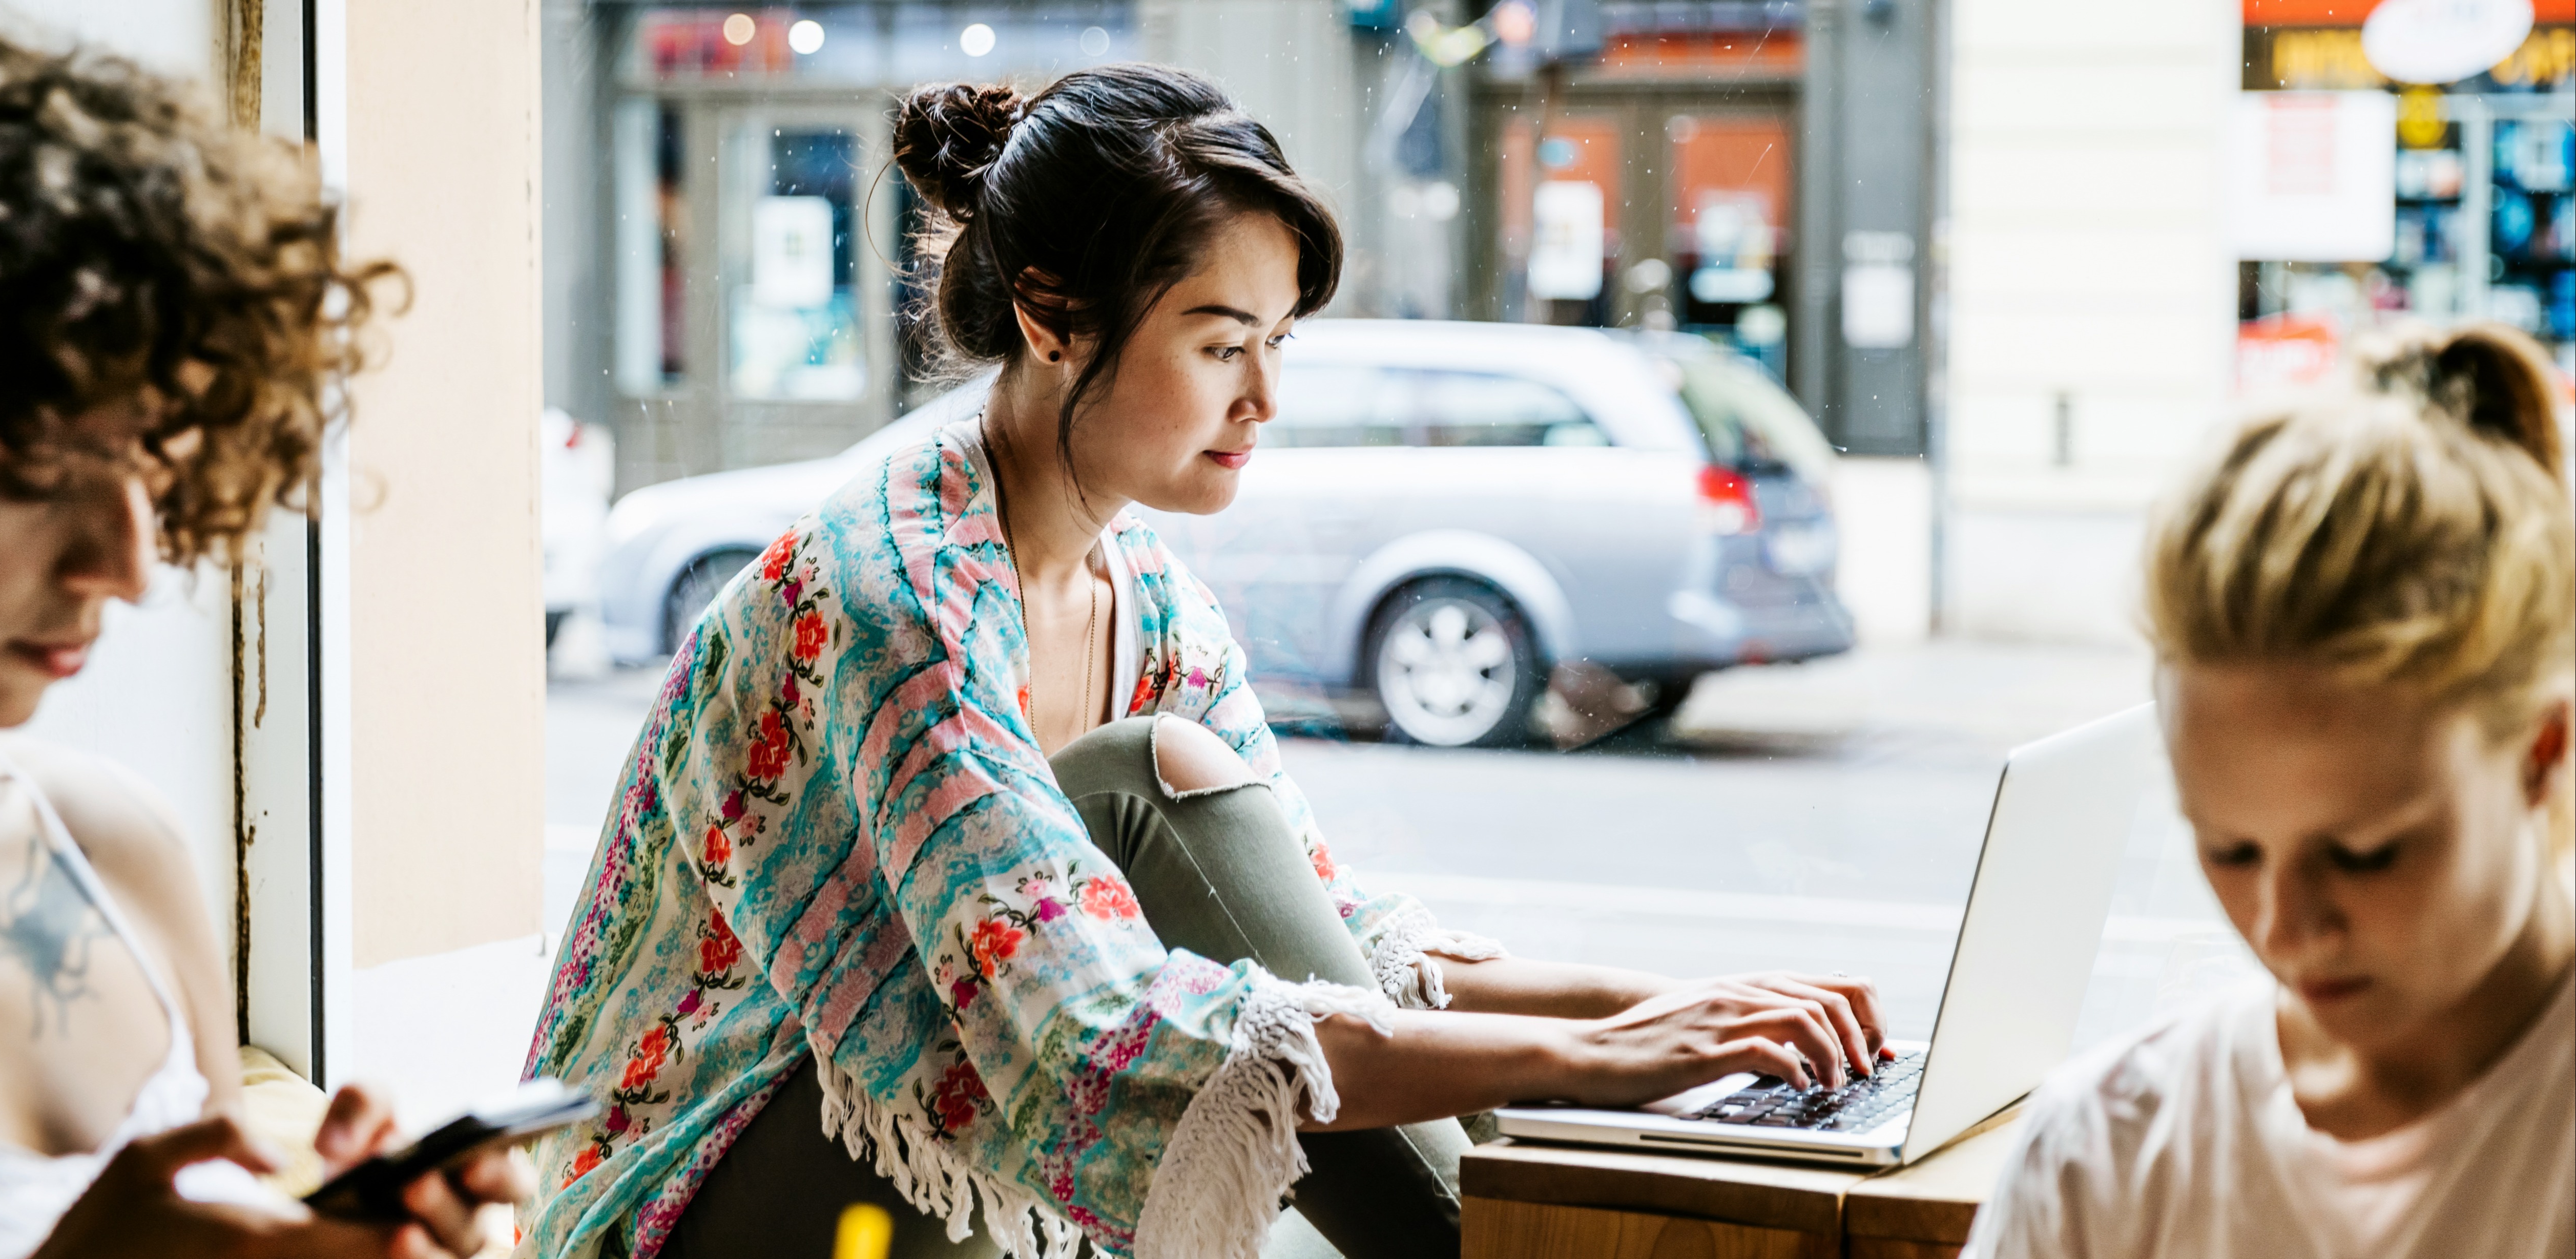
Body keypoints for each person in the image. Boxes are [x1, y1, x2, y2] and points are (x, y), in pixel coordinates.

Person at [524, 64, 1892, 1259]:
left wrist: (1661, 1004)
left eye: (1279, 343)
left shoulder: (1150, 601)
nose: (1268, 398)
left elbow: (1316, 936)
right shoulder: (900, 598)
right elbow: (1083, 1030)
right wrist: (1598, 1061)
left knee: (1164, 795)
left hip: (927, 1166)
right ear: (1054, 316)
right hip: (699, 1194)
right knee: (1146, 784)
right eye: (1223, 343)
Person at [0, 4, 529, 1255]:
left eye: (151, 454)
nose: (128, 563)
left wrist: (332, 1232)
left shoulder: (114, 846)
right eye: (34, 466)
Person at [1962, 324, 2574, 1258]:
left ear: (2541, 750)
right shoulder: (2107, 1154)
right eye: (2229, 848)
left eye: (2366, 852)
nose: (2285, 931)